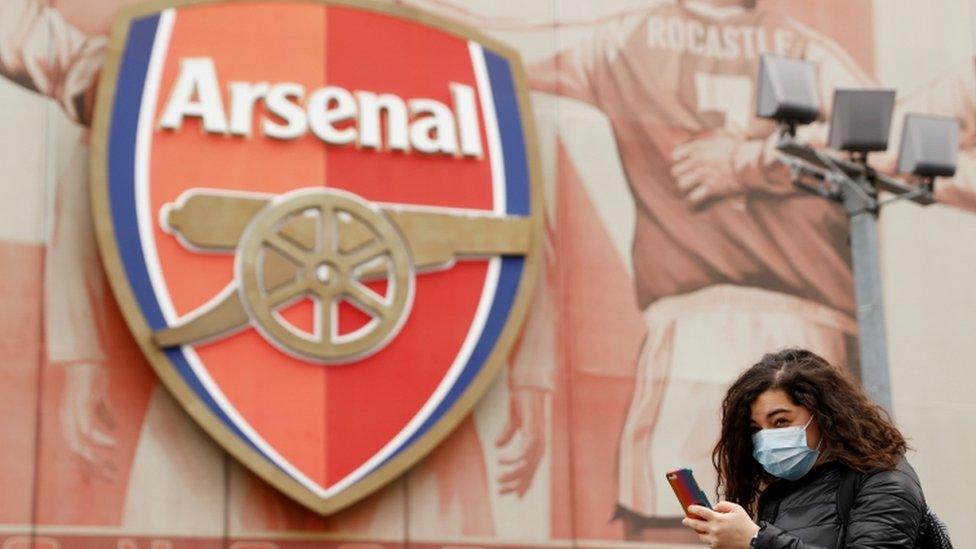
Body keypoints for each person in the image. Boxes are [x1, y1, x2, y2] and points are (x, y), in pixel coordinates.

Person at [526, 0, 874, 535]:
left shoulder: (619, 37)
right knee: (706, 514)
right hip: (722, 319)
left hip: (756, 322)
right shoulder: (800, 46)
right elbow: (877, 145)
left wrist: (745, 163)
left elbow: (873, 149)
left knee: (692, 515)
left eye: (774, 426)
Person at [681, 348, 924, 548]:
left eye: (781, 422)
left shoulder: (883, 479)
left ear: (824, 415)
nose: (767, 438)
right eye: (756, 429)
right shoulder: (779, 494)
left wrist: (756, 540)